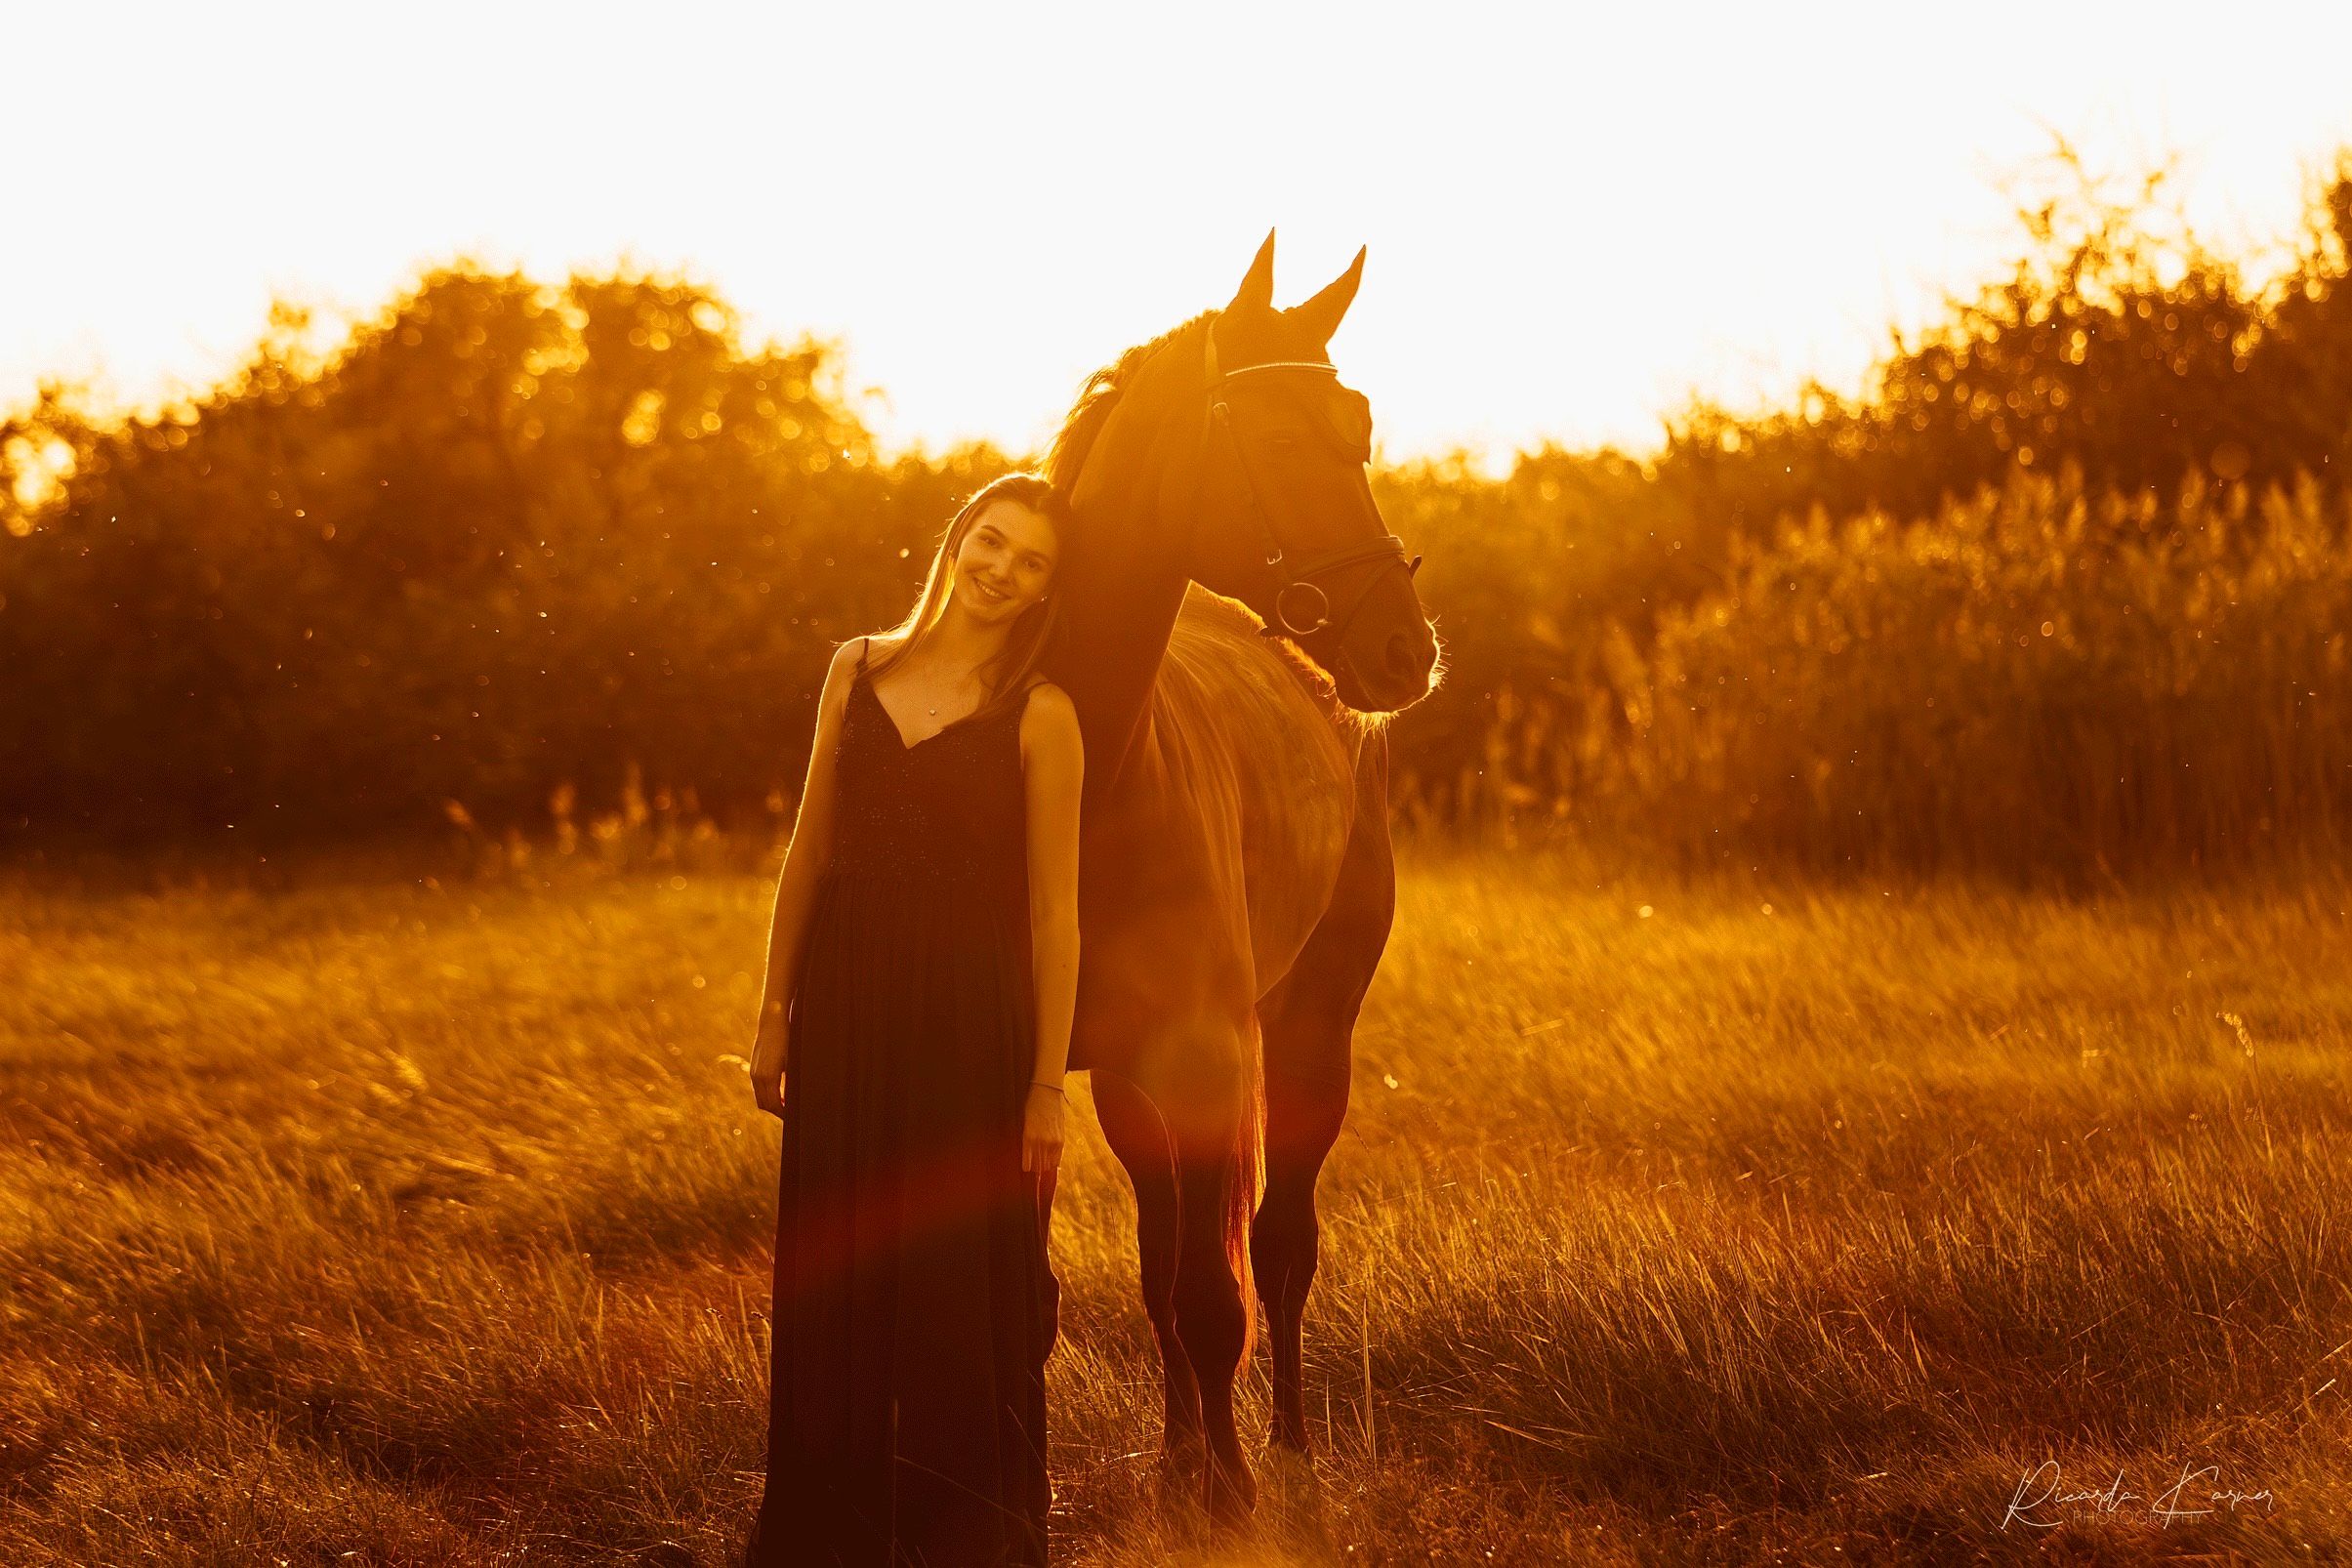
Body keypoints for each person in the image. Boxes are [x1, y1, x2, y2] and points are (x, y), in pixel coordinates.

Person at [743, 473, 1083, 1566]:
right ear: (958, 538)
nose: (1004, 571)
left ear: (1045, 590)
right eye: (994, 542)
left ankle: (963, 1537)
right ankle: (829, 1534)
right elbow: (813, 850)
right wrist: (772, 1014)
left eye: (1032, 563)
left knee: (950, 1288)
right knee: (837, 1269)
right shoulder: (857, 667)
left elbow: (1054, 916)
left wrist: (1044, 1084)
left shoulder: (1042, 711)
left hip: (969, 1027)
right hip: (846, 1005)